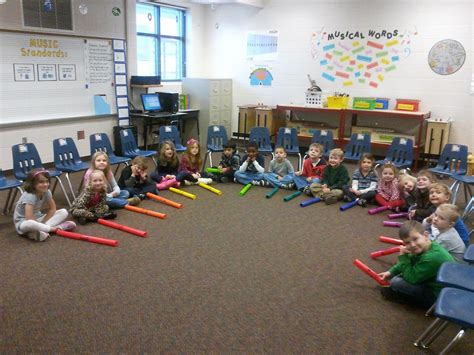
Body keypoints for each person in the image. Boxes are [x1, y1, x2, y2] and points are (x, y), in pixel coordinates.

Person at [378, 220, 455, 308]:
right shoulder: (427, 245)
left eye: (415, 239)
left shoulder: (432, 257)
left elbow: (412, 278)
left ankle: (414, 301)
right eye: (407, 242)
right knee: (402, 271)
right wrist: (390, 272)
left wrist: (403, 257)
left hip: (440, 296)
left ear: (425, 235)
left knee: (396, 282)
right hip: (432, 282)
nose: (413, 245)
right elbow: (410, 259)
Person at [13, 169, 76, 242]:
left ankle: (41, 231)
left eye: (47, 181)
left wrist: (43, 223)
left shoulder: (47, 191)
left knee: (63, 211)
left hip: (38, 218)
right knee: (31, 223)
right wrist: (41, 225)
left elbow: (52, 209)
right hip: (24, 222)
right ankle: (55, 228)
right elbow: (29, 217)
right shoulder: (30, 195)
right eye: (41, 182)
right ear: (32, 184)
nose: (45, 184)